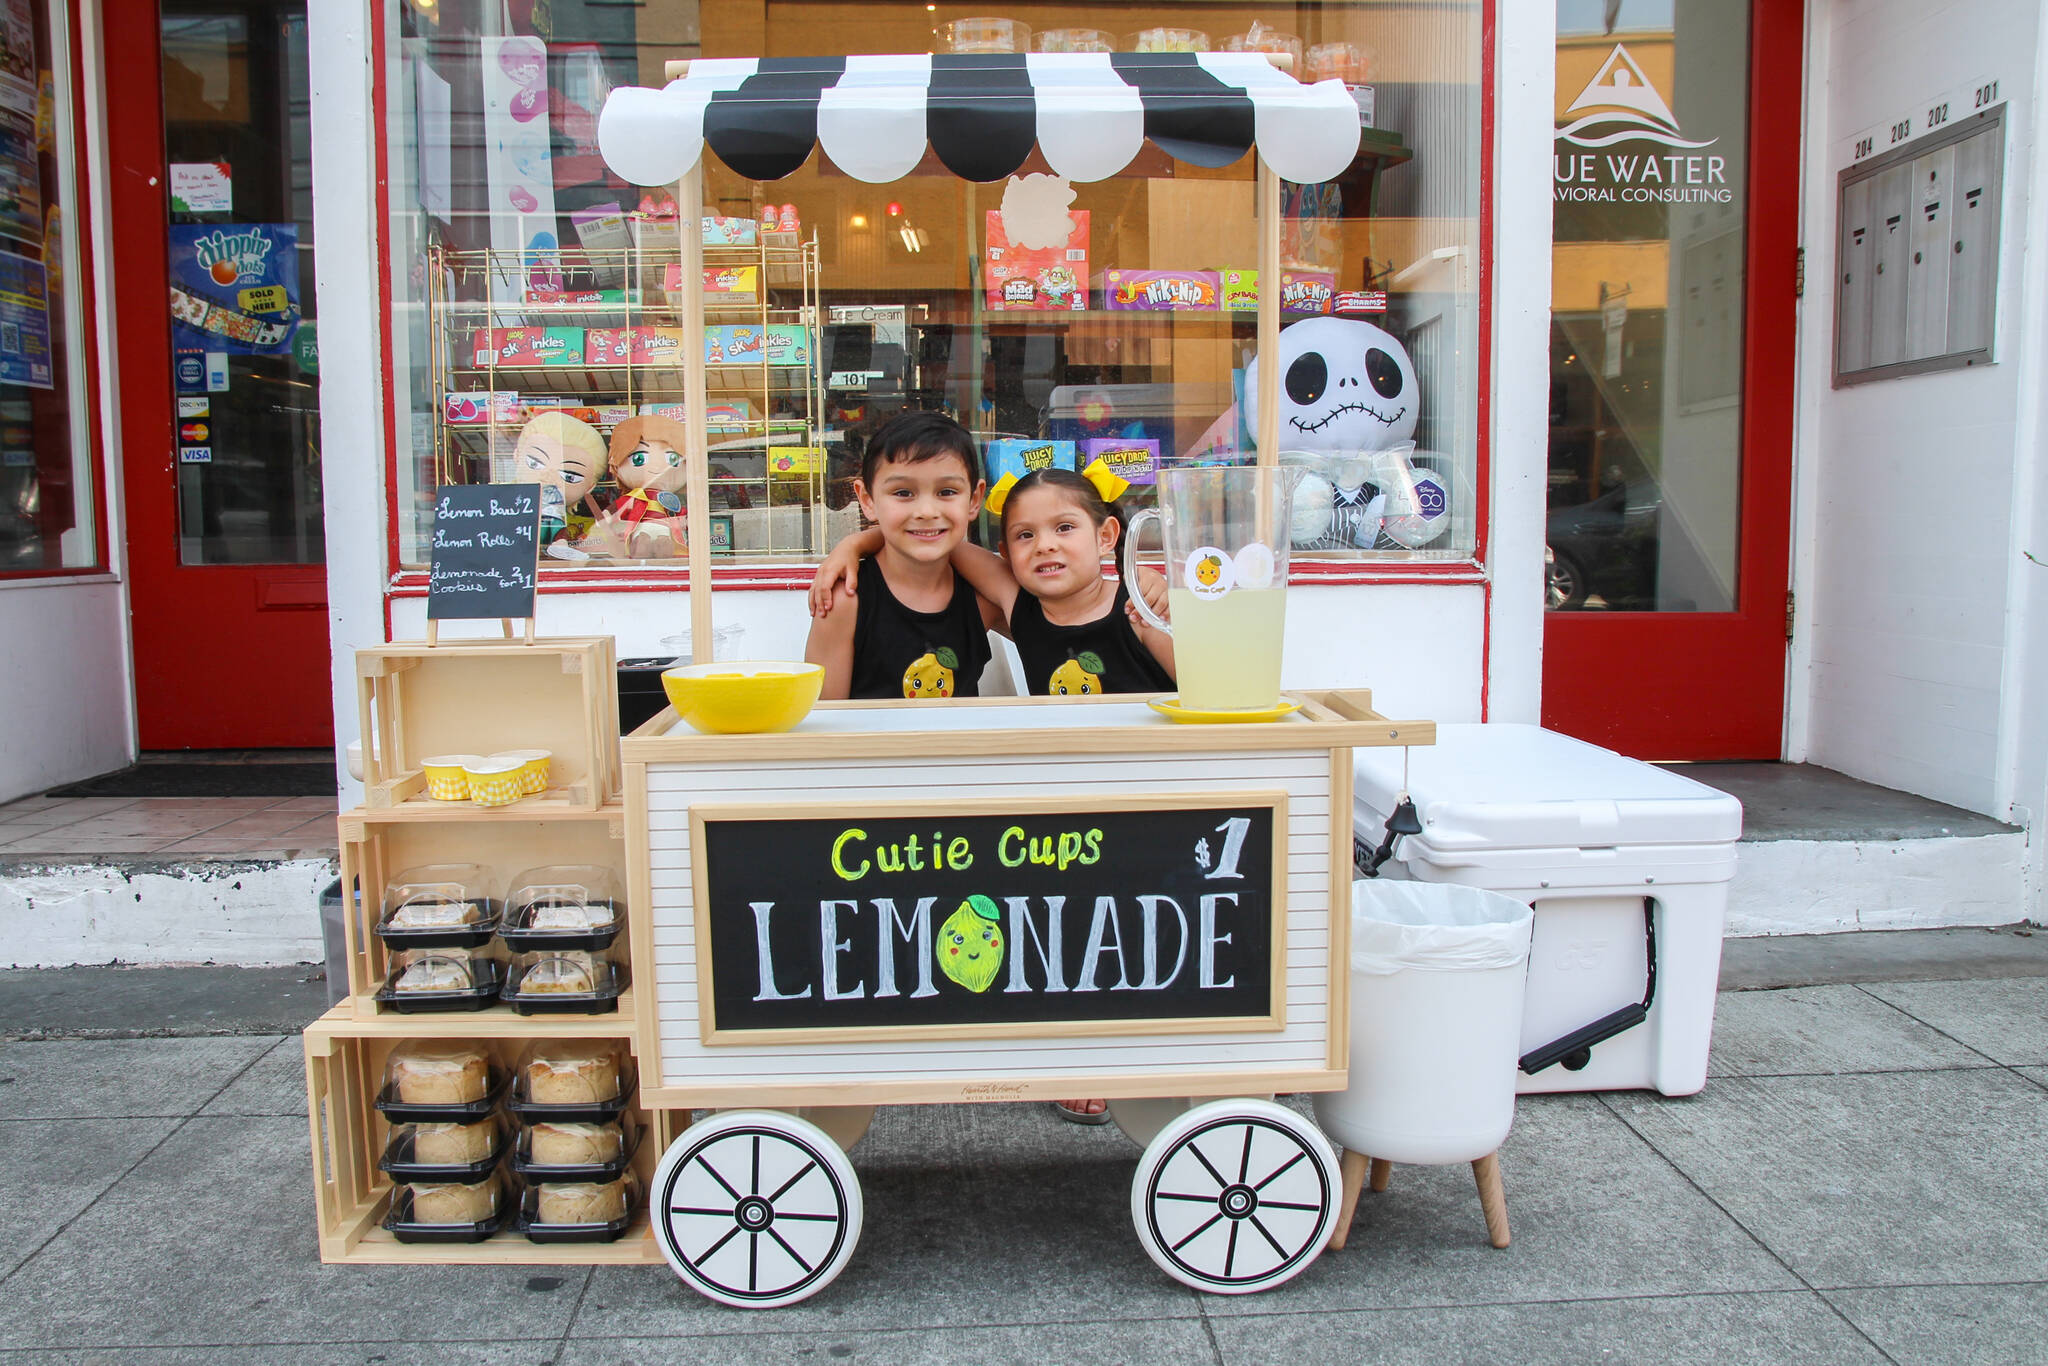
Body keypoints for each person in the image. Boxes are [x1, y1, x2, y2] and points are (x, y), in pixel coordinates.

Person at [810, 459, 1175, 1126]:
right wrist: (855, 542)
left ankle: (1112, 1057)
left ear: (1107, 536)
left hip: (1155, 804)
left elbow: (1214, 691)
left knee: (1132, 937)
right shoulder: (1022, 611)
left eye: (1066, 528)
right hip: (1074, 809)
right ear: (1005, 551)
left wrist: (1158, 612)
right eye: (1023, 536)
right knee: (1061, 931)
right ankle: (1060, 1050)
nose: (1045, 547)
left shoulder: (1144, 607)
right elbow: (948, 543)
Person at [803, 410, 1000, 700]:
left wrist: (857, 541)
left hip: (961, 747)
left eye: (946, 491)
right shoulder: (845, 601)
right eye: (903, 493)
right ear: (867, 500)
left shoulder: (984, 597)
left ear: (973, 500)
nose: (926, 512)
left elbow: (1059, 627)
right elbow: (824, 725)